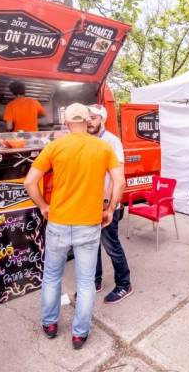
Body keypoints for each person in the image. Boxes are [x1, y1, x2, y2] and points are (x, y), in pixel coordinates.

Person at [24, 103, 125, 350]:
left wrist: (43, 206)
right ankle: (79, 334)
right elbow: (119, 182)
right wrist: (110, 209)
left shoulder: (55, 146)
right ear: (86, 120)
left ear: (67, 123)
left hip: (58, 221)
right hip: (89, 224)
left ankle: (49, 324)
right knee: (86, 281)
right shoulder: (102, 147)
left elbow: (30, 182)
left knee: (51, 277)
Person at [86, 104, 133, 303]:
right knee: (91, 246)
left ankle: (124, 284)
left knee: (111, 245)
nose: (89, 120)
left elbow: (117, 177)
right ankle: (95, 282)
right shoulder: (86, 140)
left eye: (94, 117)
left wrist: (109, 205)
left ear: (103, 119)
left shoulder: (112, 141)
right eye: (87, 117)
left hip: (106, 205)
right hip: (87, 204)